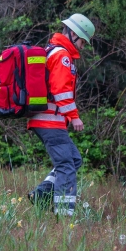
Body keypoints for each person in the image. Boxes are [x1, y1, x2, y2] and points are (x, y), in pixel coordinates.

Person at [28, 13, 95, 216]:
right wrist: (74, 117)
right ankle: (64, 214)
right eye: (82, 42)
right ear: (73, 34)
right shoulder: (62, 56)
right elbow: (61, 91)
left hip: (48, 120)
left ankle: (41, 195)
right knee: (66, 164)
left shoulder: (54, 51)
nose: (83, 47)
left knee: (73, 160)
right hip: (50, 121)